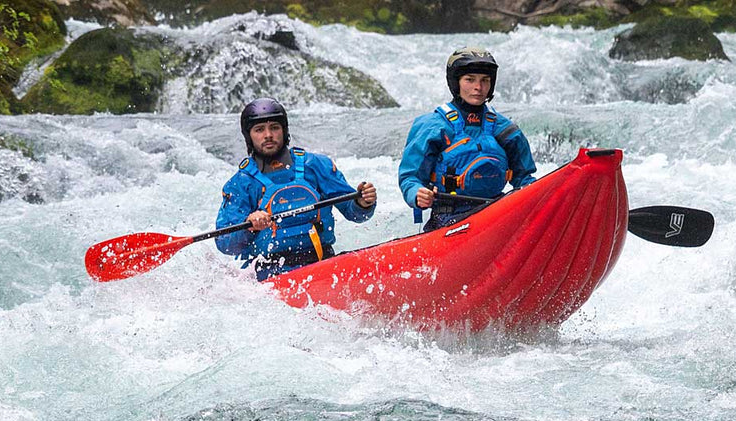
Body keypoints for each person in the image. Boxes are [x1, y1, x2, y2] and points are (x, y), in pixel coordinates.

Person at [215, 98, 377, 280]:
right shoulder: (241, 183)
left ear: (284, 130)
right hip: (270, 275)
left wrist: (362, 203)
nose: (268, 135)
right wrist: (248, 225)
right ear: (249, 136)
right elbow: (225, 244)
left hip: (322, 264)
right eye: (259, 130)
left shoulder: (315, 166)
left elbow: (355, 214)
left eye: (274, 127)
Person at [398, 47, 537, 232]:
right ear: (456, 83)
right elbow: (410, 177)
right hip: (448, 220)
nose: (478, 87)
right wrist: (416, 194)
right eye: (470, 80)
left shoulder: (505, 129)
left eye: (485, 80)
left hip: (497, 213)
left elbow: (525, 179)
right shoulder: (433, 127)